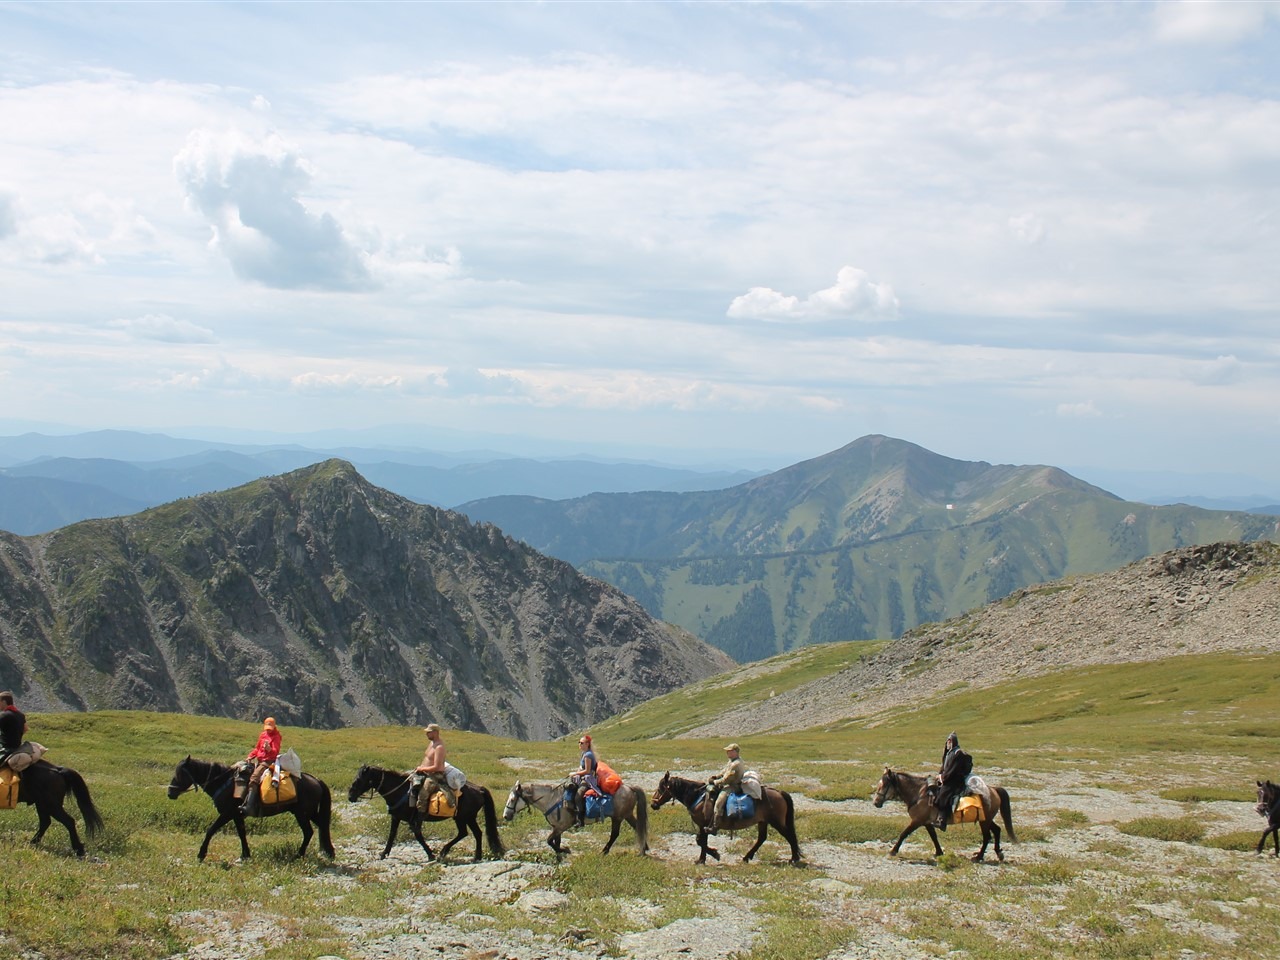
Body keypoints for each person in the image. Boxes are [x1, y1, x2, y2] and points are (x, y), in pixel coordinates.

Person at [238, 717, 282, 816]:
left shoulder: (277, 736)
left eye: (270, 728)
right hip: (259, 760)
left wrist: (269, 749)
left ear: (274, 726)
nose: (268, 730)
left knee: (254, 778)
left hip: (268, 761)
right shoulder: (263, 735)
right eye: (267, 727)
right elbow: (257, 749)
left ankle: (248, 807)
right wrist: (250, 756)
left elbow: (276, 751)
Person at [932, 731, 973, 830]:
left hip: (955, 780)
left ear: (953, 741)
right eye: (947, 741)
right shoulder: (949, 753)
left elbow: (952, 770)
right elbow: (944, 767)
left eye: (949, 741)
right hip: (948, 778)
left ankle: (942, 821)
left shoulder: (958, 754)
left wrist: (943, 778)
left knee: (943, 795)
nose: (948, 743)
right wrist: (939, 775)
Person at [411, 723, 454, 812]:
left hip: (435, 775)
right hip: (425, 771)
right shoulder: (432, 743)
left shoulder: (439, 747)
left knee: (422, 795)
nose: (426, 734)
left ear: (435, 732)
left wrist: (422, 769)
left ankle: (419, 819)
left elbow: (438, 767)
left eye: (429, 732)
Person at [708, 742, 747, 834]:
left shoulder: (736, 764)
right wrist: (716, 776)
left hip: (733, 786)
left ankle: (715, 826)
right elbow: (724, 771)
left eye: (729, 751)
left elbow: (727, 779)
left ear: (735, 752)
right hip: (729, 784)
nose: (727, 753)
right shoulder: (732, 761)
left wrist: (715, 782)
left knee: (719, 802)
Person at [0, 691, 40, 772]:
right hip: (17, 746)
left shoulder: (3, 715)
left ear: (4, 702)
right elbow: (25, 729)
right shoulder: (20, 715)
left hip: (7, 749)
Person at [566, 734, 599, 829]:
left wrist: (575, 774)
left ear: (587, 744)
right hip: (582, 777)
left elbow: (587, 771)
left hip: (588, 779)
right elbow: (581, 767)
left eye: (582, 743)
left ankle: (581, 820)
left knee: (578, 796)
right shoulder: (584, 753)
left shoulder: (588, 755)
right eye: (579, 742)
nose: (579, 744)